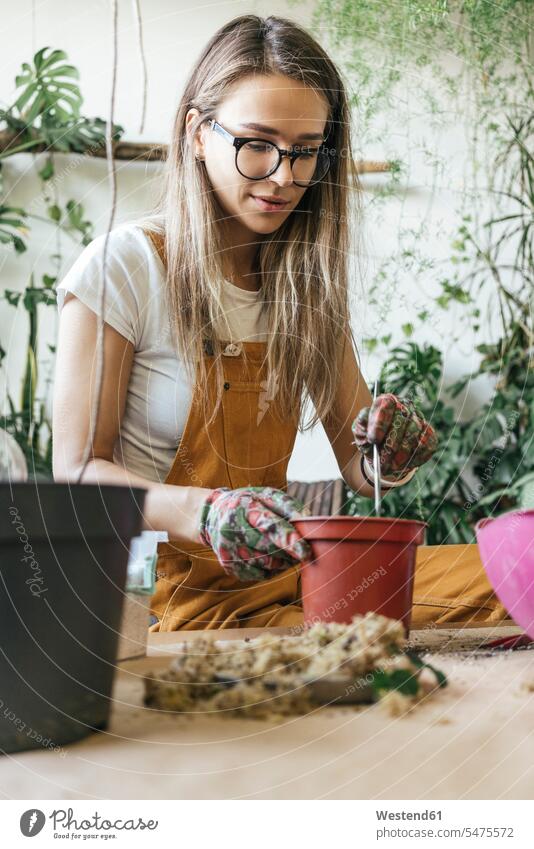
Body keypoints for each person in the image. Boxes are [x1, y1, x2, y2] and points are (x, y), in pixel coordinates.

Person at [53, 15, 507, 632]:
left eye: (304, 152)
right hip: (166, 603)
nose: (284, 177)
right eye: (256, 145)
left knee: (508, 574)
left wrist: (388, 456)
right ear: (196, 132)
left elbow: (360, 463)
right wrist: (207, 514)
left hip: (289, 576)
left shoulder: (305, 279)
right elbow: (77, 477)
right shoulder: (126, 265)